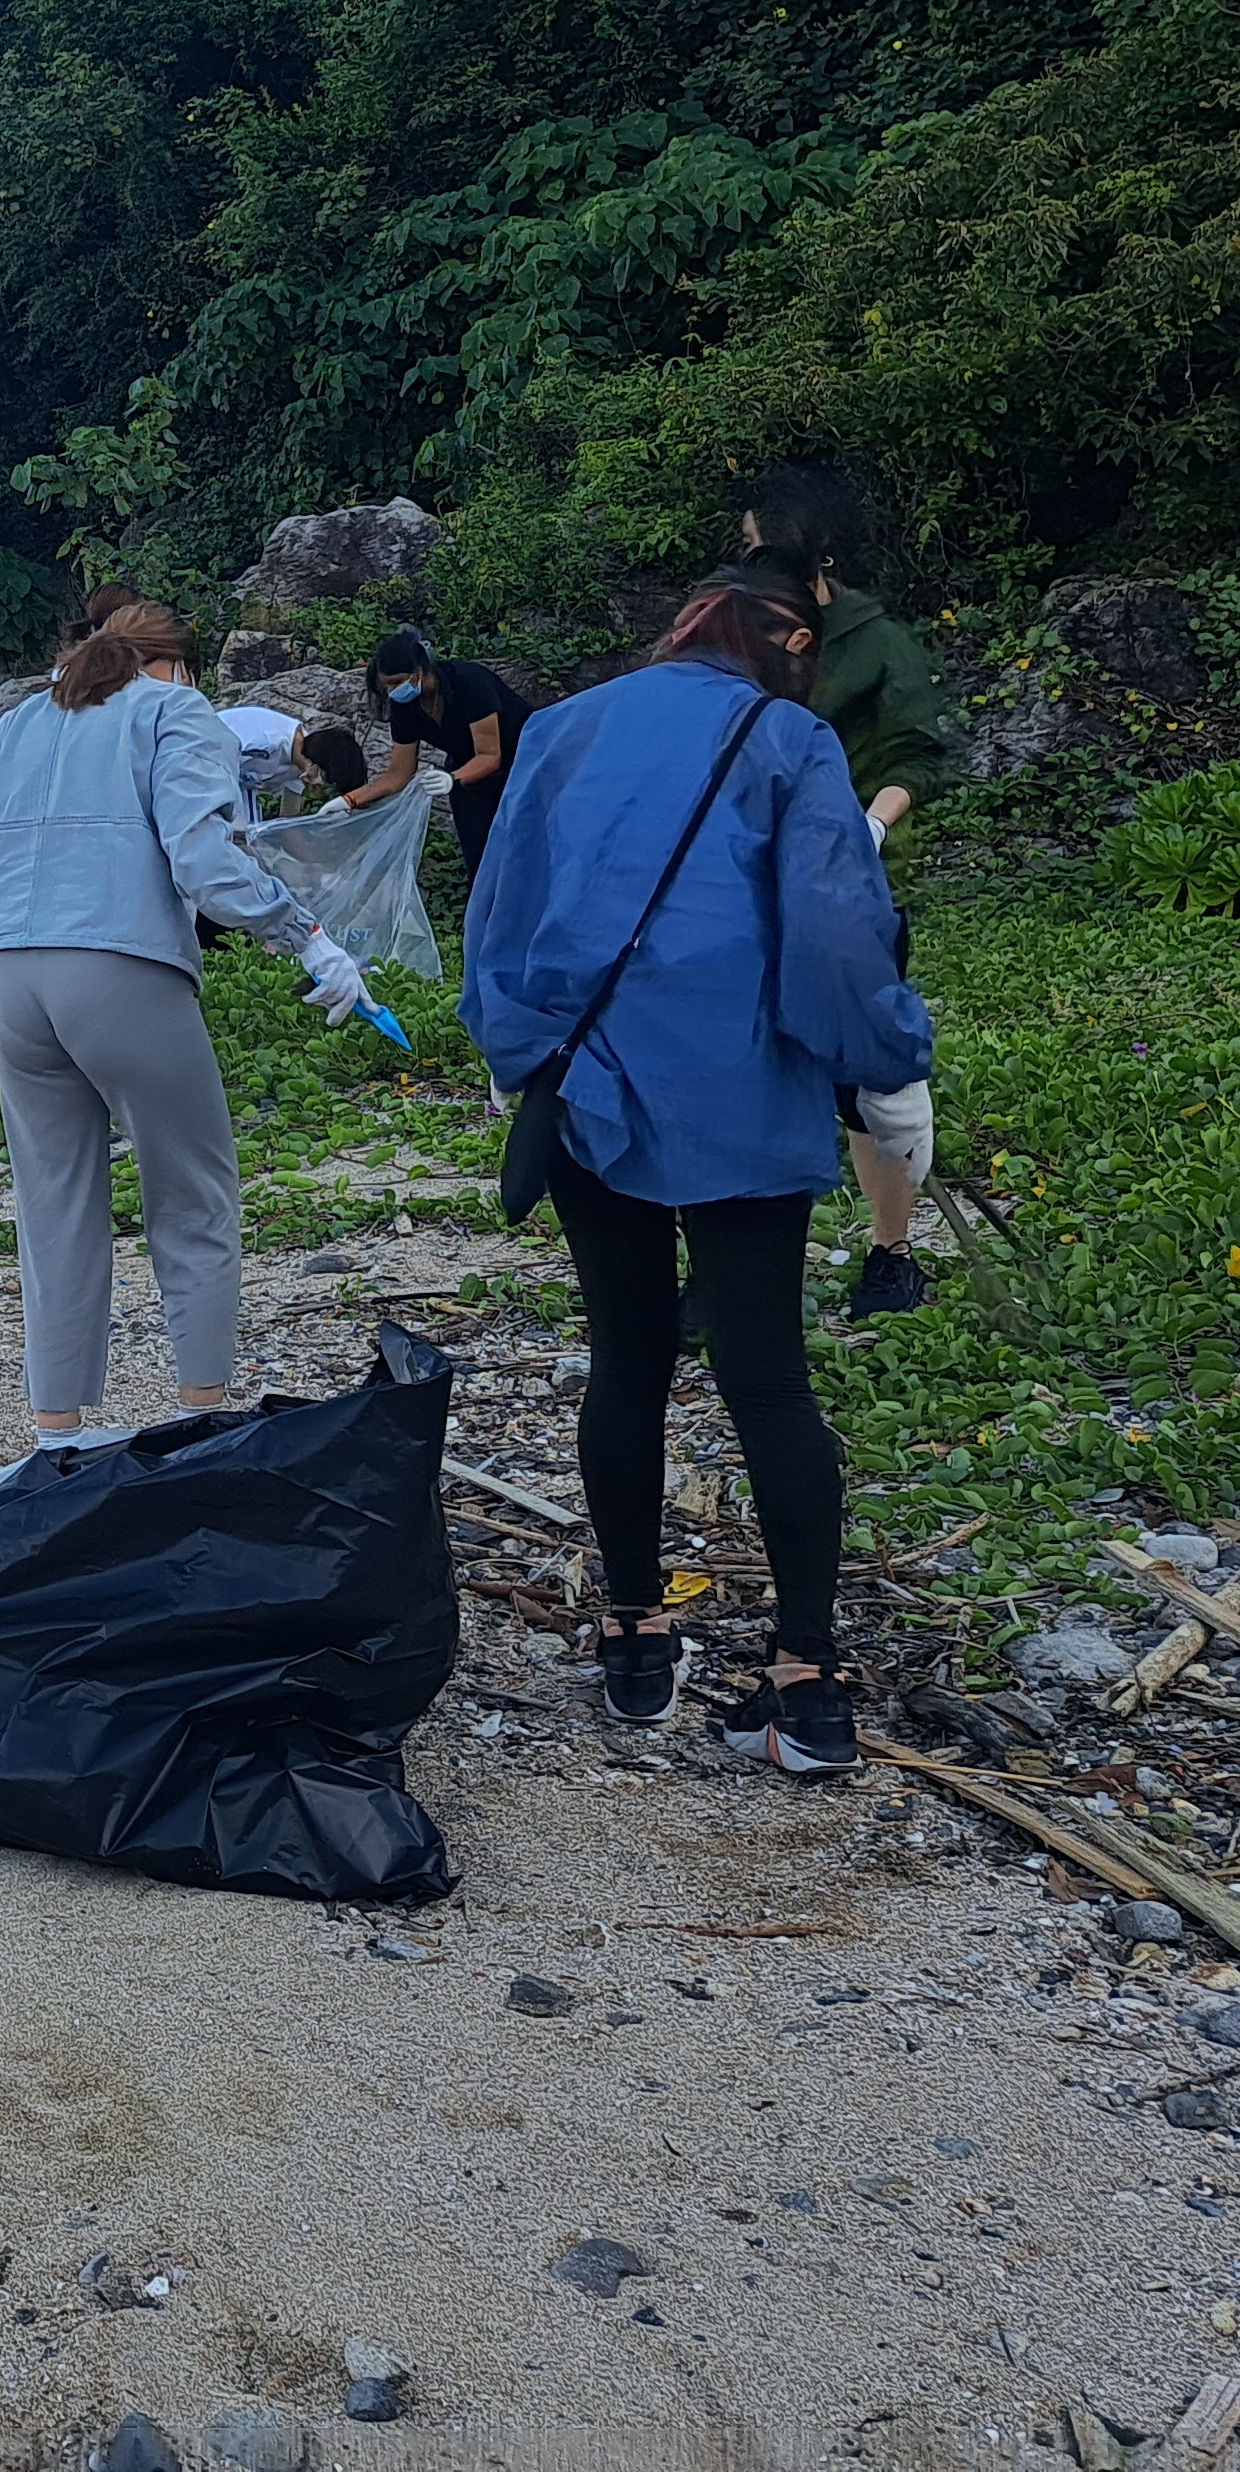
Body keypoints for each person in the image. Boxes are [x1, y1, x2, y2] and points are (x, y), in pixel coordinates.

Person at [458, 560, 933, 1774]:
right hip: (742, 1086)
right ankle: (808, 1684)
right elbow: (835, 921)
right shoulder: (787, 738)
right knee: (768, 1379)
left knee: (625, 1355)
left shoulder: (559, 727)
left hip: (588, 1081)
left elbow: (498, 910)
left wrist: (525, 1050)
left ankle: (632, 1638)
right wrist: (883, 1056)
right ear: (781, 640)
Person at [0, 597, 372, 1444]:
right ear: (177, 664)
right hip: (119, 962)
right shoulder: (175, 711)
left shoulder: (25, 720)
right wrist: (309, 940)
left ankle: (59, 1436)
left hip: (8, 973)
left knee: (54, 1202)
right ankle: (200, 1421)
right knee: (193, 1192)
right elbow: (203, 856)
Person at [744, 460, 962, 1318]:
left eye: (761, 547)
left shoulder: (877, 642)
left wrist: (869, 825)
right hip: (754, 882)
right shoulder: (743, 637)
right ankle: (739, 1264)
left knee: (867, 1081)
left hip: (853, 886)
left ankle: (890, 1253)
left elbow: (918, 751)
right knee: (752, 1067)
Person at [345, 627, 532, 884]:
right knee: (480, 853)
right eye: (386, 687)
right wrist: (349, 801)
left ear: (420, 670)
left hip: (524, 760)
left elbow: (490, 755)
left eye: (397, 682)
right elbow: (399, 773)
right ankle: (488, 911)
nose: (392, 692)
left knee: (526, 843)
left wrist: (451, 779)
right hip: (468, 773)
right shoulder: (405, 708)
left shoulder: (468, 682)